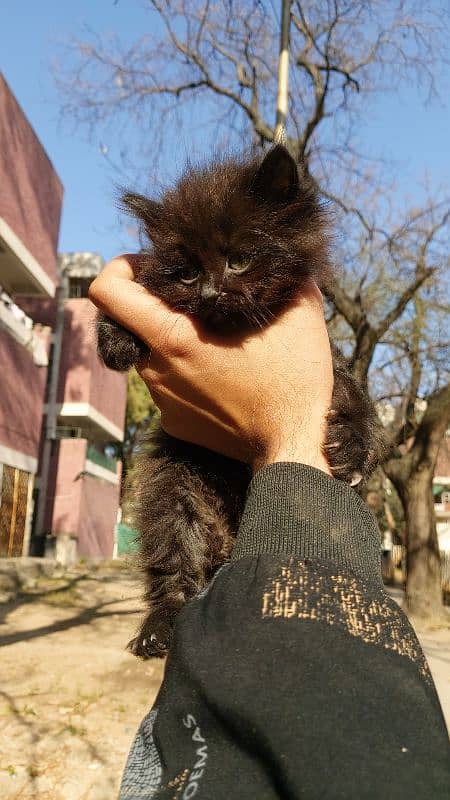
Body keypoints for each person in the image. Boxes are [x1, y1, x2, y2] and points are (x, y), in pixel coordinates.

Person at [89, 255, 450, 799]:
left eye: (236, 261)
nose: (214, 286)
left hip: (271, 517)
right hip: (211, 494)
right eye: (190, 272)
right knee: (171, 496)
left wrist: (295, 430)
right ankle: (173, 601)